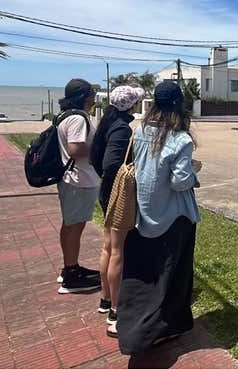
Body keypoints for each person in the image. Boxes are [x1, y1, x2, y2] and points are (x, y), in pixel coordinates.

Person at [117, 81, 201, 352]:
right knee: (174, 276)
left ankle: (130, 329)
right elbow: (179, 182)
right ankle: (163, 328)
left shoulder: (140, 130)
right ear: (179, 105)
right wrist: (193, 173)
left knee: (144, 276)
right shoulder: (181, 139)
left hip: (143, 212)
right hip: (174, 217)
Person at [89, 85, 145, 336]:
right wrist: (122, 180)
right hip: (117, 193)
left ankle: (105, 297)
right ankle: (116, 307)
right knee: (118, 250)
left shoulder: (106, 124)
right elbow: (112, 163)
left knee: (108, 246)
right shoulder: (122, 129)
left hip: (106, 191)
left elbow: (94, 159)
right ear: (130, 105)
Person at [56, 78, 102, 294]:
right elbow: (76, 149)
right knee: (75, 227)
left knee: (70, 225)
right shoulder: (77, 118)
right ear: (84, 96)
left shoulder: (65, 116)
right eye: (92, 93)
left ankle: (70, 267)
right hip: (79, 179)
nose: (94, 97)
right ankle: (72, 275)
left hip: (72, 178)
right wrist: (100, 149)